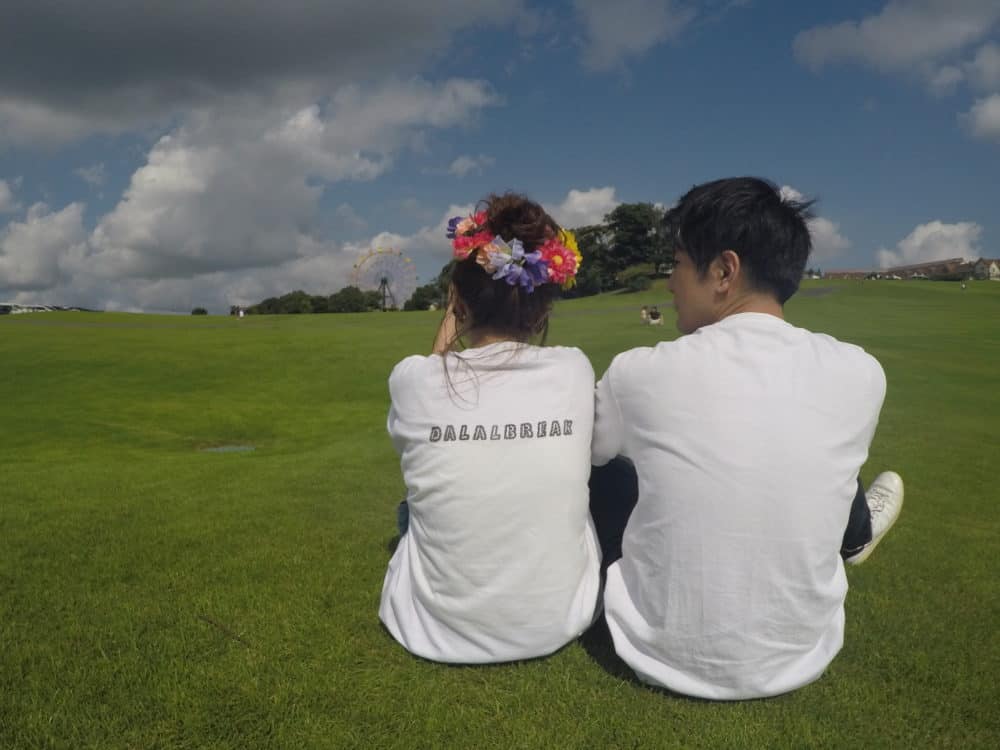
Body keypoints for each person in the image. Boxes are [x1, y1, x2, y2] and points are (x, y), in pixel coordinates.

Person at [589, 177, 904, 700]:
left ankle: (856, 534)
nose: (669, 283)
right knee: (811, 451)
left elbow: (596, 456)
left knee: (607, 470)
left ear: (723, 271)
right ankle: (857, 534)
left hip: (653, 651)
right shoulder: (862, 371)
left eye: (677, 264)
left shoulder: (637, 372)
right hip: (801, 655)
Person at [379, 193, 601, 664]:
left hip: (430, 631)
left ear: (460, 300)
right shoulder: (574, 369)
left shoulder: (413, 379)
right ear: (541, 309)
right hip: (558, 622)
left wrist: (453, 311)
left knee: (410, 505)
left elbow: (433, 373)